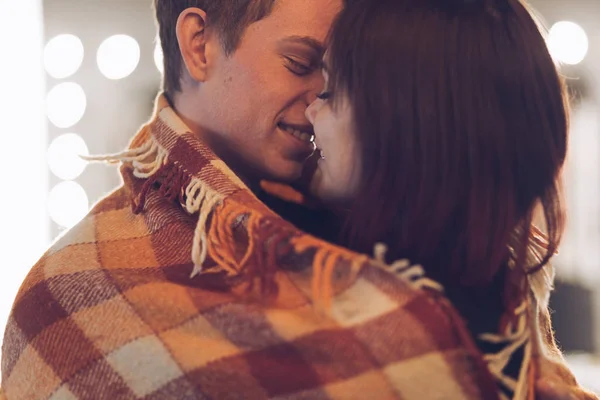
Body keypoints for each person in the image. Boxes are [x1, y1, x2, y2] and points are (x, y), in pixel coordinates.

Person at [0, 0, 592, 399]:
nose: (320, 102)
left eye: (342, 77)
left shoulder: (388, 220)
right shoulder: (77, 287)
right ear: (199, 43)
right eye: (302, 64)